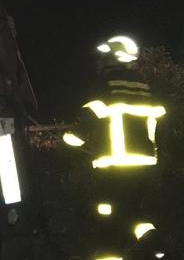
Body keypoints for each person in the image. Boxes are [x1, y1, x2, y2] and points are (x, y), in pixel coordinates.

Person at [62, 36, 174, 259]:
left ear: (111, 58)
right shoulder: (143, 86)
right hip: (145, 165)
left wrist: (69, 138)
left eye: (103, 58)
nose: (99, 62)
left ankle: (110, 254)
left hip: (114, 165)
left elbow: (89, 118)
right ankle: (156, 246)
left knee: (107, 214)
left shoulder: (106, 84)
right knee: (135, 213)